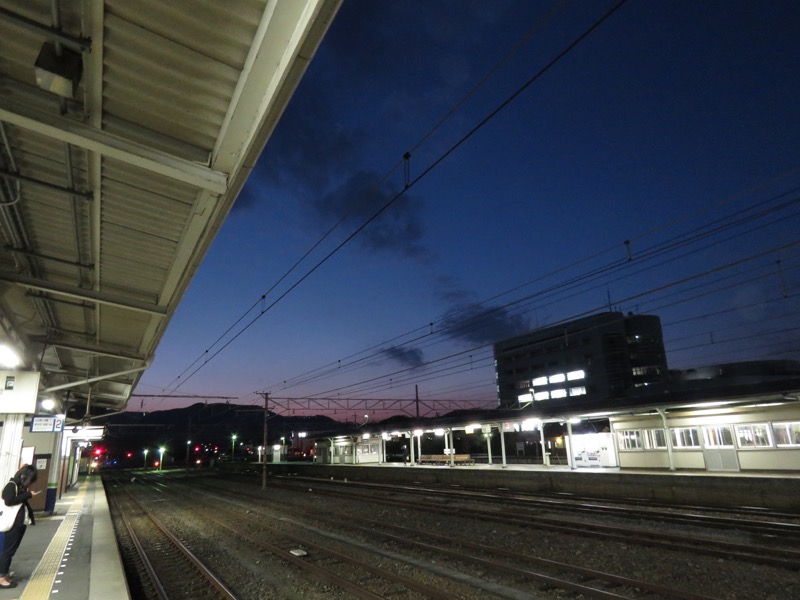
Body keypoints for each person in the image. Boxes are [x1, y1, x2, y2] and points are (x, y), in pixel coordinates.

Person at [0, 465, 39, 589]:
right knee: (8, 551)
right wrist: (28, 495)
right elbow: (8, 501)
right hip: (12, 524)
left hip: (18, 524)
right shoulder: (12, 485)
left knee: (10, 551)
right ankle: (1, 578)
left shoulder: (19, 486)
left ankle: (4, 575)